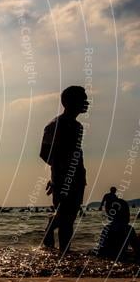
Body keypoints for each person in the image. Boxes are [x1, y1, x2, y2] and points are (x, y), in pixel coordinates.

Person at [40, 85, 88, 253]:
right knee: (66, 218)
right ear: (70, 102)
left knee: (70, 216)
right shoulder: (55, 125)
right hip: (63, 178)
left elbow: (76, 153)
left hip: (78, 177)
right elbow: (45, 153)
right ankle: (64, 252)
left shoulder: (78, 127)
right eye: (82, 99)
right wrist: (57, 176)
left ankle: (63, 250)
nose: (86, 102)